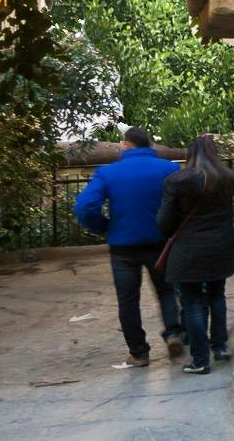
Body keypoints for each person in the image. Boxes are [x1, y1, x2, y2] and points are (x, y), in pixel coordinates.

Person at [155, 134, 234, 374]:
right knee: (218, 295)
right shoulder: (227, 177)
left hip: (187, 251)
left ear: (189, 155)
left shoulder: (176, 180)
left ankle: (199, 359)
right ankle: (220, 346)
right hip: (219, 248)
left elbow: (164, 223)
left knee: (193, 302)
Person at [73, 127, 182, 367]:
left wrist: (105, 227)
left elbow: (85, 207)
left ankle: (139, 352)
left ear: (127, 145)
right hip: (161, 242)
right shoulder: (170, 169)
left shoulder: (108, 172)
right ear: (150, 145)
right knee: (166, 290)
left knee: (128, 299)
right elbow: (184, 204)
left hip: (123, 246)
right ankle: (174, 333)